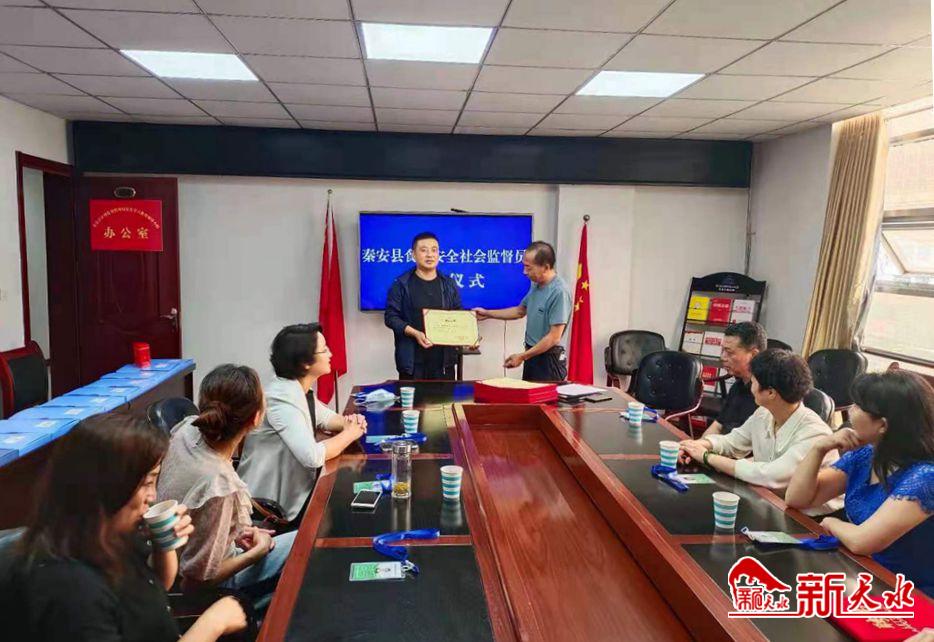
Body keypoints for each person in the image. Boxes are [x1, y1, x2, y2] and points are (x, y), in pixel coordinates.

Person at [7, 413, 247, 642]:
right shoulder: (71, 589)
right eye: (147, 482)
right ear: (107, 486)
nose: (152, 496)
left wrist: (163, 545)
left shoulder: (110, 533)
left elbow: (157, 584)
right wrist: (212, 623)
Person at [157, 364, 296, 607]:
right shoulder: (219, 485)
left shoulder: (187, 430)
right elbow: (195, 583)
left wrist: (233, 533)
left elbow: (197, 514)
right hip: (209, 590)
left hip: (169, 559)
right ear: (256, 418)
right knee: (307, 544)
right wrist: (257, 552)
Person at [786, 370, 933, 596]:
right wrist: (819, 448)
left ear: (882, 425)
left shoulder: (925, 477)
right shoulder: (866, 455)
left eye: (858, 406)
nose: (851, 411)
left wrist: (831, 523)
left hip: (907, 593)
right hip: (861, 573)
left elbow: (862, 541)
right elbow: (798, 498)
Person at [679, 349, 843, 515]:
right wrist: (695, 446)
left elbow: (769, 475)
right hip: (772, 503)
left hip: (812, 520)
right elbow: (733, 442)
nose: (751, 387)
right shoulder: (764, 413)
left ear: (771, 393)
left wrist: (707, 457)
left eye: (753, 382)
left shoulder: (815, 433)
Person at [237, 323, 367, 523]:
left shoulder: (297, 389)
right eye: (324, 350)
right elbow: (312, 457)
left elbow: (326, 418)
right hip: (267, 511)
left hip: (294, 496)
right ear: (305, 363)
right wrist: (350, 433)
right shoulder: (280, 399)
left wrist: (350, 423)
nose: (331, 354)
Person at [474, 240, 572, 382]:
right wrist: (487, 313)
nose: (524, 272)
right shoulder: (536, 285)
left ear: (545, 267)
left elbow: (553, 337)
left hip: (548, 361)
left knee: (544, 397)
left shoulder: (559, 292)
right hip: (532, 355)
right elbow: (520, 311)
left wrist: (522, 357)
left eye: (528, 268)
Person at [384, 232, 464, 380]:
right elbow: (391, 317)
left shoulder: (449, 284)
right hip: (412, 362)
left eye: (434, 250)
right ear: (413, 254)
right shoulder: (401, 284)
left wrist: (468, 337)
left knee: (445, 396)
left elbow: (458, 315)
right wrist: (415, 333)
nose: (430, 255)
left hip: (443, 363)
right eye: (424, 250)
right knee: (412, 396)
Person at [702, 321, 767, 437]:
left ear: (753, 355)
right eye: (723, 351)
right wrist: (698, 444)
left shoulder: (767, 396)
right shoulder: (737, 387)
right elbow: (718, 425)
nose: (722, 357)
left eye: (729, 352)